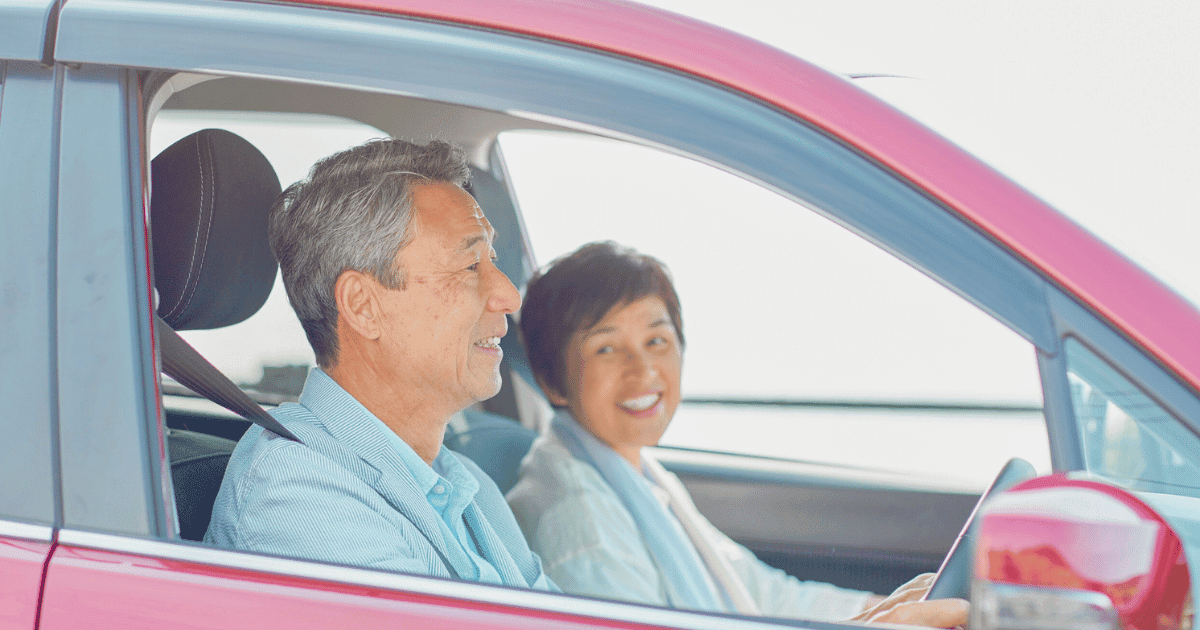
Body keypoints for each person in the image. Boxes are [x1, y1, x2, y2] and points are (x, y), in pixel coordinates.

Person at [506, 241, 968, 627]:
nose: (644, 369)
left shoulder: (635, 474)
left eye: (657, 340)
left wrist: (878, 610)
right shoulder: (582, 527)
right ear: (552, 380)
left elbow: (758, 590)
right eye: (606, 348)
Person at [205, 139, 553, 591]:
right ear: (363, 306)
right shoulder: (299, 496)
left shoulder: (464, 486)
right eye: (470, 264)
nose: (509, 295)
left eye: (493, 259)